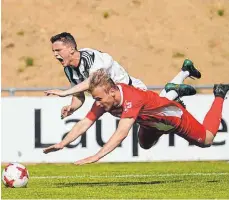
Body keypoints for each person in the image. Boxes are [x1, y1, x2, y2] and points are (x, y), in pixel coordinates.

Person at [43, 69, 229, 165]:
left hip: (172, 118)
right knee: (145, 144)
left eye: (99, 98)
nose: (97, 103)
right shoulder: (103, 100)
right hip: (150, 123)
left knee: (207, 140)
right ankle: (172, 92)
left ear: (113, 91)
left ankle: (219, 94)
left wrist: (97, 155)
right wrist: (62, 143)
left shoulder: (132, 98)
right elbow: (85, 123)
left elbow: (122, 132)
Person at [44, 32, 200, 118]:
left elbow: (92, 82)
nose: (55, 55)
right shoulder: (69, 69)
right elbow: (79, 94)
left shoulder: (90, 57)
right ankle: (185, 72)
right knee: (161, 114)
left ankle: (174, 91)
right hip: (118, 100)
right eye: (53, 51)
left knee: (160, 114)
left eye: (58, 50)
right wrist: (72, 107)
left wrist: (63, 93)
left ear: (71, 49)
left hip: (131, 91)